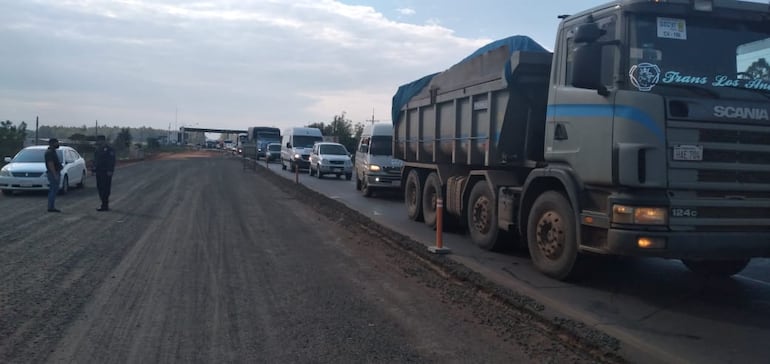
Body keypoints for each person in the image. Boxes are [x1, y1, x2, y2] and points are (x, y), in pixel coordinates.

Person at [93, 135, 116, 211]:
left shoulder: (109, 149)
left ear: (103, 140)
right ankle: (103, 203)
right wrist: (94, 169)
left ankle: (105, 205)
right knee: (100, 187)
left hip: (106, 172)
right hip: (99, 171)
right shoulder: (98, 149)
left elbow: (111, 160)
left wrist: (110, 170)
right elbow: (96, 160)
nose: (98, 142)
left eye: (99, 140)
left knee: (105, 188)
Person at [44, 138, 63, 212]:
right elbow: (50, 164)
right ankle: (51, 207)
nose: (58, 144)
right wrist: (55, 174)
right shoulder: (50, 152)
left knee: (54, 190)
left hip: (54, 172)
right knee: (53, 190)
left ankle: (51, 206)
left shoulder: (52, 151)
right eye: (57, 143)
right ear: (52, 143)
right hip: (53, 173)